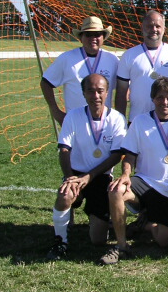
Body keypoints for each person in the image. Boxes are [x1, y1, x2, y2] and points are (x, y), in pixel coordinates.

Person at [98, 77, 168, 265]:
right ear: (153, 99)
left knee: (163, 241)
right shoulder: (140, 121)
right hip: (144, 183)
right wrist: (126, 174)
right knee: (116, 190)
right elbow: (129, 154)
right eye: (160, 97)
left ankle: (146, 225)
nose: (165, 102)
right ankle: (121, 246)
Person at [45, 74, 127, 261]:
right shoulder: (73, 116)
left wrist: (89, 177)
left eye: (100, 91)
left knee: (98, 240)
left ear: (107, 93)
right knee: (65, 194)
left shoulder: (117, 119)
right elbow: (64, 150)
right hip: (75, 174)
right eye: (90, 91)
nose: (95, 96)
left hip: (100, 177)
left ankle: (92, 216)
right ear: (83, 93)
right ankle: (60, 242)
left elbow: (116, 155)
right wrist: (68, 177)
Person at [41, 16, 119, 125]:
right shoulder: (67, 58)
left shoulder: (113, 60)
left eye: (97, 34)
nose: (93, 38)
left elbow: (123, 87)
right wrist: (56, 112)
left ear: (103, 37)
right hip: (75, 123)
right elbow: (46, 83)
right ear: (81, 37)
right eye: (88, 34)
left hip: (104, 125)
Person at [115, 10, 168, 122]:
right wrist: (120, 122)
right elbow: (121, 92)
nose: (154, 29)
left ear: (164, 29)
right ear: (142, 28)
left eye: (158, 26)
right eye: (149, 26)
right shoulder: (129, 55)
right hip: (136, 120)